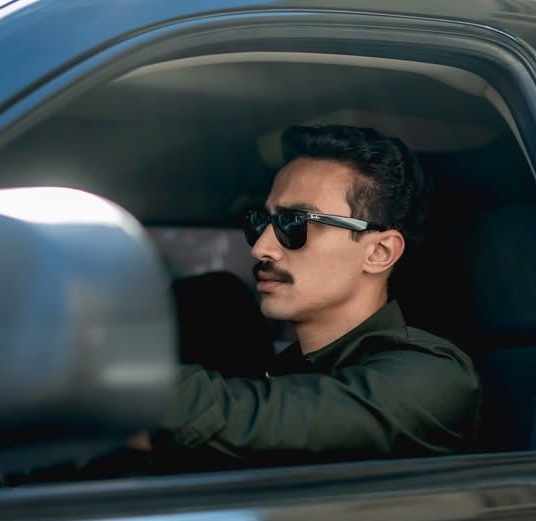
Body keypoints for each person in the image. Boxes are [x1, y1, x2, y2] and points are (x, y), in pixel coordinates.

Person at [149, 125, 480, 469]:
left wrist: (117, 374)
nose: (261, 247)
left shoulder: (433, 379)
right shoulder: (278, 369)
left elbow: (236, 416)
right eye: (261, 221)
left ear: (379, 252)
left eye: (295, 223)